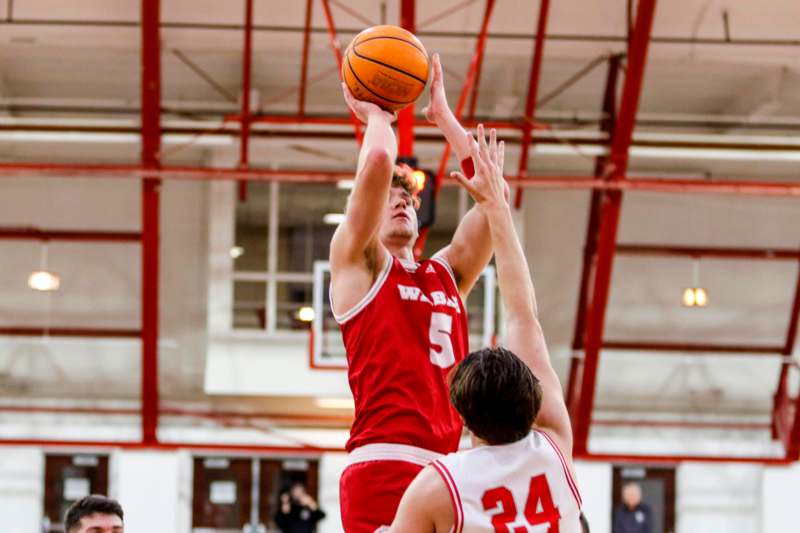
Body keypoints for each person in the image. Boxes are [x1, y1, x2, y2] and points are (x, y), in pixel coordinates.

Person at [330, 53, 495, 532]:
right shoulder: (358, 262)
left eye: (409, 197)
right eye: (390, 196)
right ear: (364, 209)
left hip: (449, 467)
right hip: (383, 461)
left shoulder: (446, 274)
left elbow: (493, 202)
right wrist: (379, 117)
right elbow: (380, 160)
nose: (402, 199)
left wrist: (446, 119)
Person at [388, 126, 582, 532]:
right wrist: (497, 208)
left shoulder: (439, 486)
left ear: (462, 417)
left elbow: (520, 315)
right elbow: (522, 314)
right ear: (533, 399)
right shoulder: (554, 447)